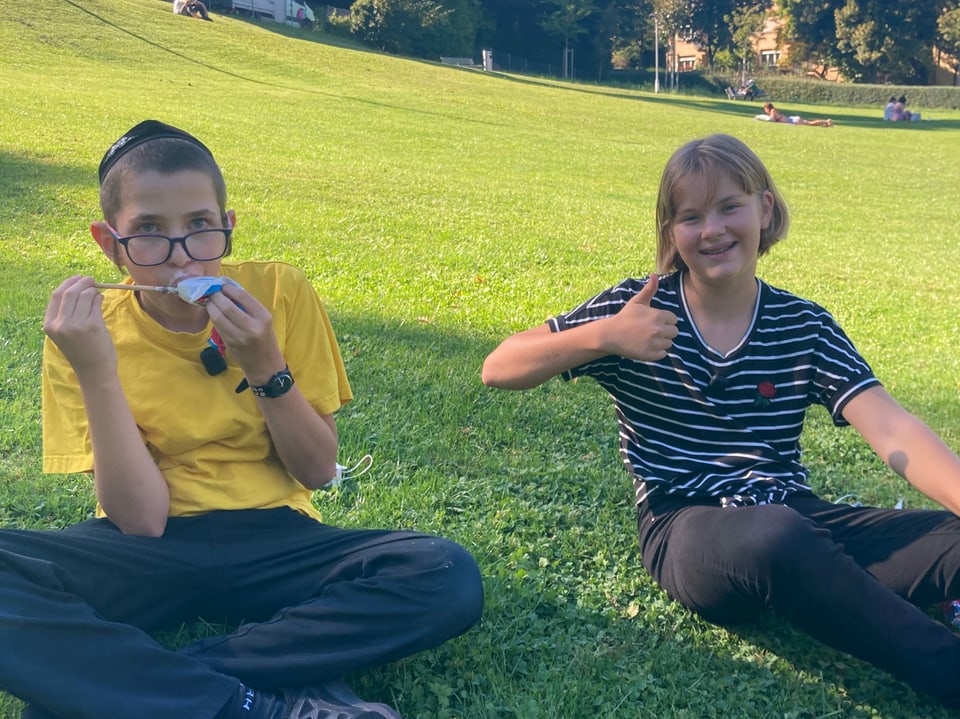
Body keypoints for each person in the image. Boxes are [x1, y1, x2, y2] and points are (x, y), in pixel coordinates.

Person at [1, 120, 484, 719]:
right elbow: (143, 521)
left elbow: (315, 469)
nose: (179, 255)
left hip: (276, 534)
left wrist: (265, 364)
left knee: (443, 573)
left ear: (227, 226)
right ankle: (258, 706)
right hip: (146, 550)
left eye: (199, 226)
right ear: (110, 244)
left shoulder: (278, 290)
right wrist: (99, 371)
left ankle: (124, 684)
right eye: (149, 231)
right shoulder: (85, 328)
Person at [481, 133, 960, 706]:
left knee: (852, 534)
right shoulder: (636, 310)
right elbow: (498, 367)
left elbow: (891, 427)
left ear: (764, 208)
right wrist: (602, 337)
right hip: (684, 525)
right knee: (776, 537)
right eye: (691, 216)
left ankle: (834, 586)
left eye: (729, 206)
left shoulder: (802, 325)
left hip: (794, 516)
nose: (712, 229)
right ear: (671, 233)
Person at [762, 102, 832, 127]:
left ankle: (827, 121)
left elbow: (772, 120)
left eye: (765, 109)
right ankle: (826, 123)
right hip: (792, 119)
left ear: (767, 108)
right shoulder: (773, 110)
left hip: (793, 121)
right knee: (810, 123)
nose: (764, 110)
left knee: (811, 123)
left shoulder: (773, 111)